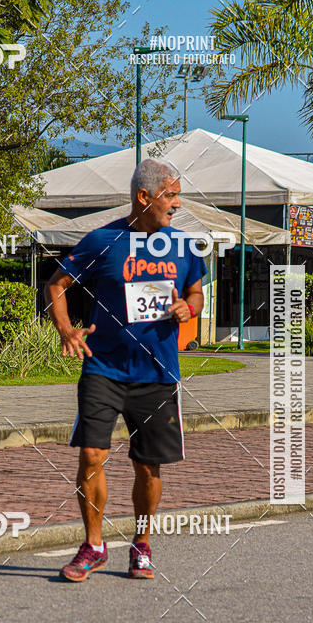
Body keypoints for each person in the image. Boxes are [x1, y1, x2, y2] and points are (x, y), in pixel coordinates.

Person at [45, 158, 206, 582]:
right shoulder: (103, 240)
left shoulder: (184, 245)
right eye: (170, 195)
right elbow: (56, 285)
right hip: (103, 368)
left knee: (147, 467)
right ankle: (94, 546)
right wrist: (66, 329)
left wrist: (187, 308)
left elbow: (196, 293)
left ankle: (142, 544)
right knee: (91, 455)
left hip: (156, 373)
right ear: (144, 197)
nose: (175, 204)